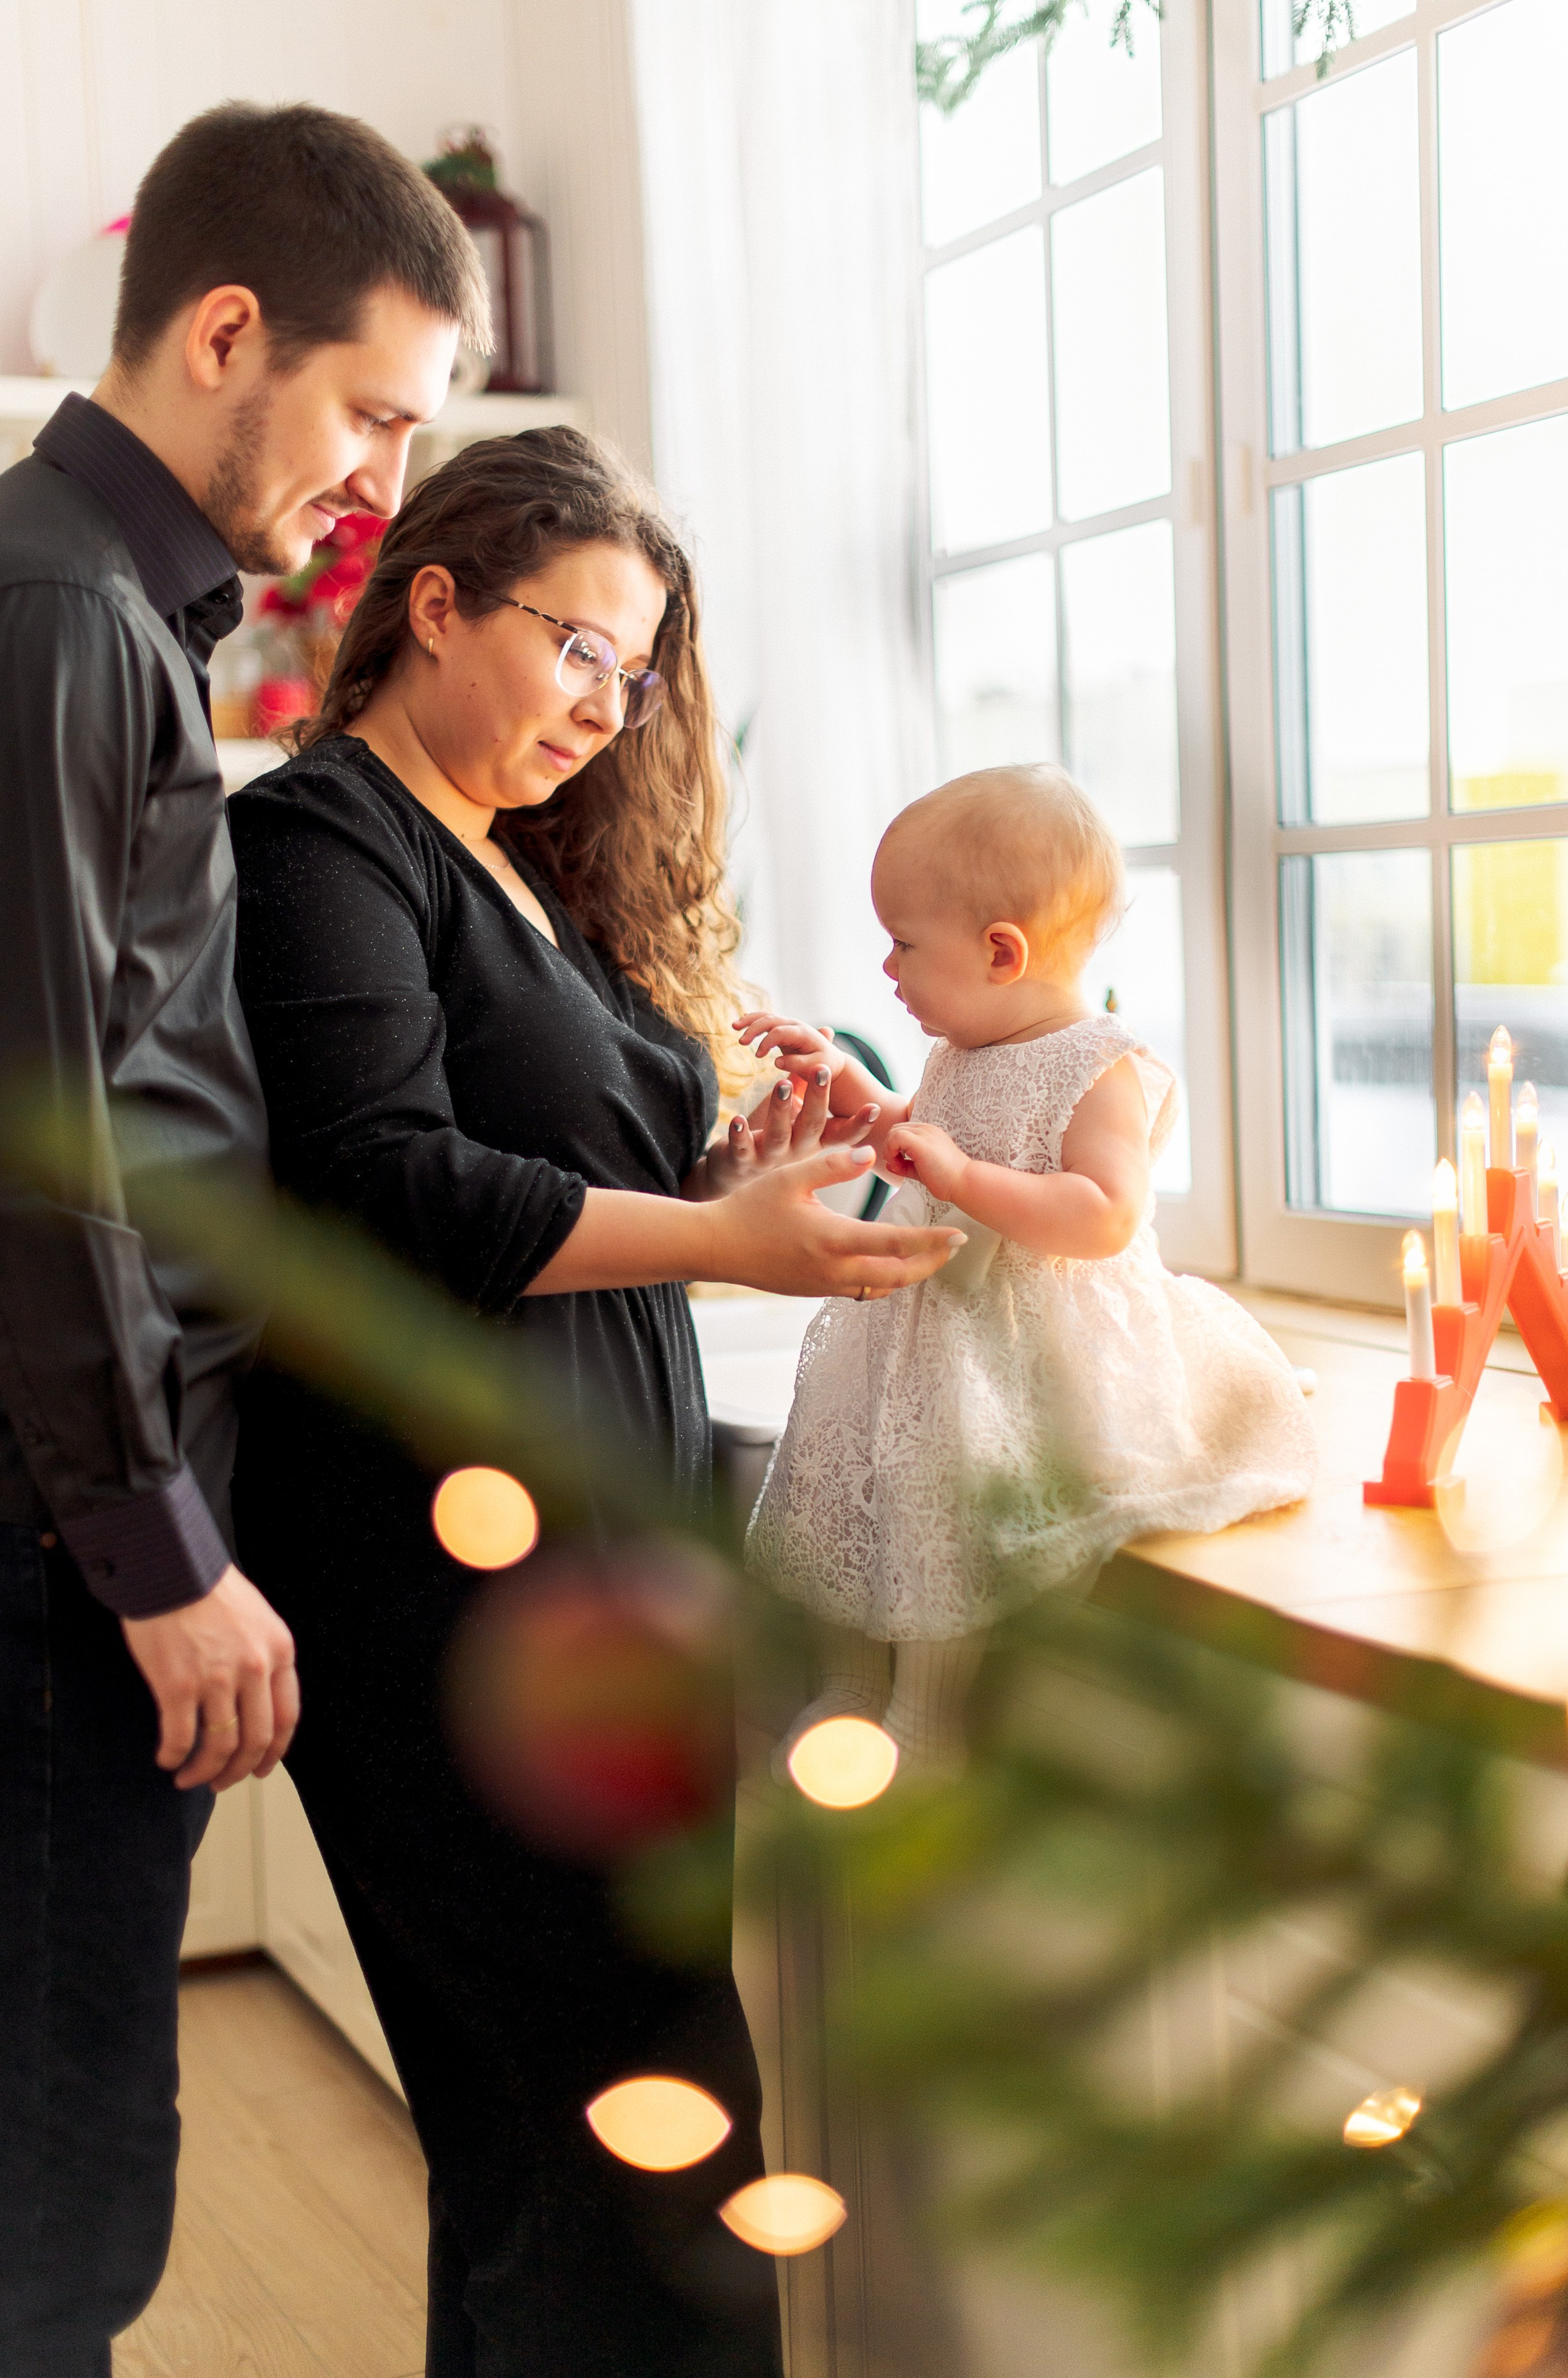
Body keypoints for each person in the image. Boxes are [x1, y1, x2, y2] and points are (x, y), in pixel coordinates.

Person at [226, 425, 960, 2377]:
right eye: (576, 647)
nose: (606, 706)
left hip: (595, 1575)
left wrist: (727, 1178)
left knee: (569, 2154)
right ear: (435, 602)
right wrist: (723, 1244)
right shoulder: (315, 846)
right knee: (626, 2148)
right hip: (447, 1593)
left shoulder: (522, 866)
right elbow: (388, 1188)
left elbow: (564, 1188)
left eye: (633, 674)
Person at [0, 102, 490, 2377]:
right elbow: (41, 1142)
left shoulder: (113, 616)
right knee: (54, 2214)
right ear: (223, 334)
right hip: (53, 1564)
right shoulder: (60, 621)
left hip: (75, 1537)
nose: (384, 483)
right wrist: (156, 1551)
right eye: (372, 412)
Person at [744, 765, 1320, 1778]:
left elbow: (1105, 1214)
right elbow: (921, 1137)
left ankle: (926, 1716)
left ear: (1001, 952)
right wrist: (854, 1087)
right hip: (922, 1328)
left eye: (904, 944)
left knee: (943, 1511)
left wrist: (963, 1176)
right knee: (843, 1484)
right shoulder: (965, 1047)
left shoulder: (1099, 1065)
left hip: (1022, 1341)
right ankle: (850, 1685)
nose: (887, 967)